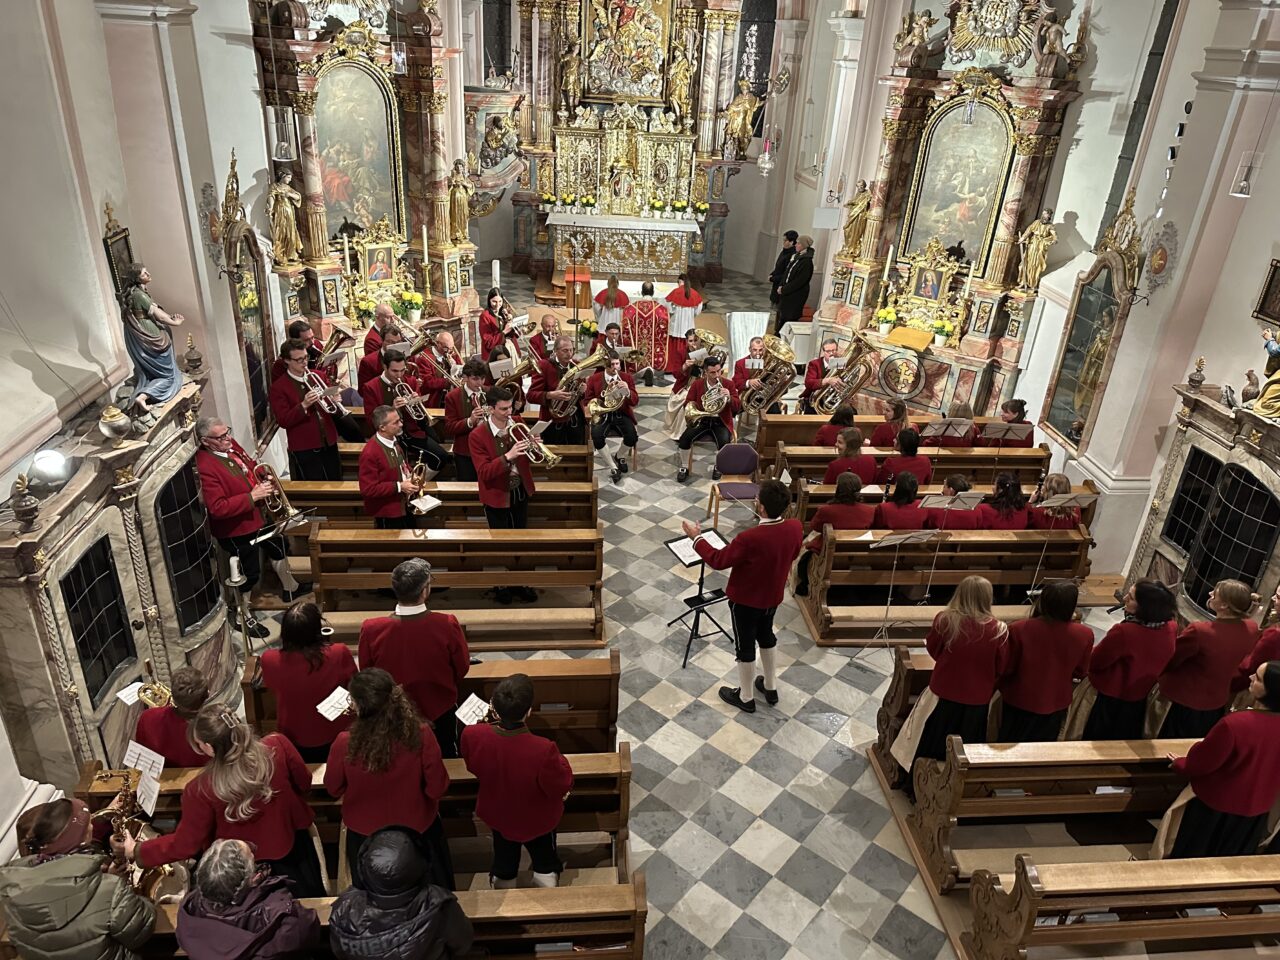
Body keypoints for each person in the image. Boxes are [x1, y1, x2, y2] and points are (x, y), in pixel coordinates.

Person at [119, 704, 324, 898]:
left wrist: (137, 850)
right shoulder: (277, 745)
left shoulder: (201, 789)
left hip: (236, 868)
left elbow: (185, 845)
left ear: (208, 747)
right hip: (291, 848)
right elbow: (304, 783)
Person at [680, 479, 804, 712]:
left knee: (745, 645)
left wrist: (696, 538)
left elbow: (718, 560)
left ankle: (746, 697)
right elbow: (794, 553)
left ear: (762, 508)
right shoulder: (795, 527)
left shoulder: (750, 538)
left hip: (746, 601)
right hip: (773, 596)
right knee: (767, 636)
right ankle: (770, 686)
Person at [325, 669, 452, 887]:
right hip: (416, 827)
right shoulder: (420, 734)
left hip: (365, 833)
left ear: (356, 704)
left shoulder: (344, 742)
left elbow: (333, 788)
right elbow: (437, 788)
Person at [0, 798, 155, 960]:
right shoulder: (109, 889)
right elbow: (140, 929)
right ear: (80, 841)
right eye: (89, 826)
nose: (93, 826)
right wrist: (133, 893)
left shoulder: (13, 887)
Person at [195, 417, 306, 638]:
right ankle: (242, 614)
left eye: (228, 431)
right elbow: (217, 508)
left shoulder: (229, 444)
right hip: (237, 530)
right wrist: (252, 496)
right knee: (250, 573)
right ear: (206, 441)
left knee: (279, 545)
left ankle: (290, 587)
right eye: (221, 437)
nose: (228, 438)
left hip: (256, 517)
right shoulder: (205, 466)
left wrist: (264, 478)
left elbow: (250, 464)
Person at [460, 674, 574, 889]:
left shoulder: (472, 734)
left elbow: (473, 765)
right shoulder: (543, 749)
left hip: (498, 811)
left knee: (503, 848)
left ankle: (504, 877)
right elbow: (560, 785)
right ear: (529, 710)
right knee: (543, 852)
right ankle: (545, 874)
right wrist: (563, 763)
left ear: (493, 706)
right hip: (537, 817)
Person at [891, 576, 1009, 783]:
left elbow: (934, 650)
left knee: (929, 740)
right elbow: (1001, 666)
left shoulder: (946, 620)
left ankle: (918, 782)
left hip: (943, 693)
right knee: (964, 748)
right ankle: (953, 786)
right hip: (976, 701)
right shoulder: (999, 630)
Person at [1159, 662, 1280, 859]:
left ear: (1271, 691)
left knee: (1193, 858)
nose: (1250, 678)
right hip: (1256, 809)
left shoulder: (1235, 725)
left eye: (1257, 678)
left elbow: (1203, 763)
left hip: (1215, 808)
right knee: (1230, 862)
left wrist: (1180, 764)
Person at [359, 558, 472, 755]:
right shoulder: (446, 623)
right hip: (439, 708)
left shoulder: (371, 628)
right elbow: (461, 667)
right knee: (444, 754)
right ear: (425, 590)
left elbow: (367, 673)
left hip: (392, 712)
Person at [329, 826, 474, 959]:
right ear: (420, 865)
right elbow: (462, 945)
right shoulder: (439, 904)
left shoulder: (344, 908)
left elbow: (339, 952)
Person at [175, 838, 320, 960]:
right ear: (252, 878)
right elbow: (309, 929)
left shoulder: (190, 911)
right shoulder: (280, 914)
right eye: (252, 854)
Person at [1074, 579, 1178, 740]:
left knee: (1096, 739)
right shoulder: (1170, 626)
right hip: (1140, 696)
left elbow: (1096, 662)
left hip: (1109, 697)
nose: (1124, 600)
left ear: (1145, 606)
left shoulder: (1124, 632)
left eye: (1130, 598)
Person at [1156, 580, 1260, 738]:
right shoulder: (1252, 628)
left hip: (1183, 701)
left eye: (1215, 593)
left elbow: (1171, 659)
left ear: (1224, 605)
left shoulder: (1200, 631)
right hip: (1216, 701)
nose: (1210, 594)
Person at [258, 601, 357, 763]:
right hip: (333, 731)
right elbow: (353, 682)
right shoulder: (338, 653)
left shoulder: (269, 659)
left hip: (293, 734)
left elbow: (271, 684)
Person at [997, 581, 1093, 741]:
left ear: (1043, 601)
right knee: (1042, 747)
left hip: (1019, 697)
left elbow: (1007, 667)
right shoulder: (1084, 634)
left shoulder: (1019, 629)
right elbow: (1081, 670)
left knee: (1010, 744)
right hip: (1055, 700)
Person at [361, 353, 450, 474]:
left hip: (411, 432)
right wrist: (393, 408)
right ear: (385, 367)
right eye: (395, 371)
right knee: (398, 469)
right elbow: (371, 421)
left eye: (402, 370)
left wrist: (416, 401)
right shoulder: (371, 387)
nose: (399, 375)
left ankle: (417, 482)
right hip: (388, 435)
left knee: (441, 457)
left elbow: (420, 417)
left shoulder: (411, 381)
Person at [269, 338, 343, 481]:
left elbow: (330, 407)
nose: (304, 362)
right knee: (314, 485)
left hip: (329, 439)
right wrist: (303, 405)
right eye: (299, 360)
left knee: (336, 479)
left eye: (306, 357)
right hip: (304, 445)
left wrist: (334, 399)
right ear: (286, 361)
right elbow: (283, 420)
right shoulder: (278, 388)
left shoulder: (318, 376)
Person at [119, 263, 183, 418]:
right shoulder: (138, 295)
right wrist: (175, 322)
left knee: (158, 368)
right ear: (136, 278)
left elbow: (155, 309)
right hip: (149, 334)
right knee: (168, 377)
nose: (148, 274)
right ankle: (143, 396)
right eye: (144, 273)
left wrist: (168, 316)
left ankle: (149, 380)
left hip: (139, 333)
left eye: (147, 271)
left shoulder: (136, 292)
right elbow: (157, 314)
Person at [795, 473, 875, 597]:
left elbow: (814, 526)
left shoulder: (826, 510)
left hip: (828, 553)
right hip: (857, 551)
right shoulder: (869, 510)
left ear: (839, 489)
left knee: (803, 553)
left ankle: (804, 584)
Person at [675, 355, 740, 483]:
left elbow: (738, 406)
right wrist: (698, 410)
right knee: (684, 440)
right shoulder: (698, 384)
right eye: (712, 372)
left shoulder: (728, 384)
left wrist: (730, 398)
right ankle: (684, 467)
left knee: (724, 443)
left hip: (720, 421)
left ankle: (719, 466)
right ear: (705, 372)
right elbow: (688, 403)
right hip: (702, 420)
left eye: (718, 371)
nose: (716, 375)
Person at [358, 405, 422, 529]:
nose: (401, 424)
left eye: (400, 420)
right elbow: (368, 489)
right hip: (387, 513)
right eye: (396, 422)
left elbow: (401, 464)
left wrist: (412, 476)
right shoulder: (370, 453)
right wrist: (400, 486)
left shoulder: (393, 441)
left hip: (403, 505)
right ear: (382, 427)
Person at [135, 666, 211, 768]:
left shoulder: (147, 717)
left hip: (162, 779)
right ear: (207, 695)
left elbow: (143, 756)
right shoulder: (214, 726)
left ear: (174, 695)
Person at [584, 355, 639, 483]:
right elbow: (587, 401)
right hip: (603, 414)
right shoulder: (594, 379)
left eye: (617, 364)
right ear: (606, 366)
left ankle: (619, 455)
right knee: (597, 437)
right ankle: (613, 467)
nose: (615, 368)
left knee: (632, 437)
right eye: (612, 365)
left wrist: (628, 392)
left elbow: (635, 401)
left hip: (621, 413)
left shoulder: (626, 378)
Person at [528, 335, 587, 445]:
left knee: (577, 453)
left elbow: (582, 395)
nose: (569, 354)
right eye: (565, 350)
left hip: (575, 419)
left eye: (571, 350)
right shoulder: (544, 366)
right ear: (555, 351)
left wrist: (583, 390)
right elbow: (531, 395)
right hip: (552, 422)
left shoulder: (577, 364)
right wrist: (550, 395)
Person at [443, 358, 490, 482]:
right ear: (465, 377)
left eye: (482, 378)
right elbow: (449, 427)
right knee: (468, 486)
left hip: (488, 451)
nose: (479, 383)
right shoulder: (453, 397)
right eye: (475, 379)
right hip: (465, 452)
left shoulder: (489, 392)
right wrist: (470, 420)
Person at [1236, 584, 1280, 695]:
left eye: (1278, 597)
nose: (1272, 598)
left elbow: (1250, 666)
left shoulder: (1275, 634)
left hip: (1256, 687)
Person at [622, 282, 670, 384]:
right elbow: (663, 329)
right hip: (653, 352)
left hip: (636, 351)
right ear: (653, 292)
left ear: (642, 292)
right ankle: (651, 370)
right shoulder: (661, 310)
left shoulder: (631, 309)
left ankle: (639, 371)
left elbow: (626, 327)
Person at [664, 275, 703, 375]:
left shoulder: (675, 292)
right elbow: (698, 310)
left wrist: (673, 311)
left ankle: (672, 368)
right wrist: (691, 314)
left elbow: (669, 307)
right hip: (689, 325)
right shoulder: (694, 293)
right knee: (691, 345)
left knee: (674, 349)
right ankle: (692, 368)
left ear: (680, 281)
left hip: (676, 325)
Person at [775, 235, 815, 334]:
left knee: (789, 320)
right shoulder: (797, 257)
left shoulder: (806, 262)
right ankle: (778, 335)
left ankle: (782, 339)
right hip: (788, 294)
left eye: (799, 243)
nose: (796, 245)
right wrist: (781, 286)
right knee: (783, 318)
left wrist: (784, 289)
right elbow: (787, 273)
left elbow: (799, 281)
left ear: (804, 245)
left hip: (795, 296)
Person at [415, 330, 463, 408]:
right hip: (436, 398)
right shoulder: (424, 358)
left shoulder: (451, 352)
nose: (449, 351)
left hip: (453, 393)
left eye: (451, 347)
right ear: (437, 344)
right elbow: (427, 382)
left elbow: (461, 370)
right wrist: (448, 382)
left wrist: (454, 364)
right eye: (446, 348)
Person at [800, 339, 843, 415]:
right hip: (814, 399)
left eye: (834, 350)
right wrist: (827, 380)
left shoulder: (840, 363)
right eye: (828, 351)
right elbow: (808, 383)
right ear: (823, 352)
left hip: (832, 400)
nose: (831, 354)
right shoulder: (814, 364)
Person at [357, 323, 406, 388]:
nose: (395, 345)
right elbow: (362, 390)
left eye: (398, 342)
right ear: (382, 341)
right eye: (391, 342)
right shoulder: (368, 362)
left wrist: (414, 382)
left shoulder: (407, 355)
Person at [478, 287, 518, 356]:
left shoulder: (503, 312)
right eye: (494, 302)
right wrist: (504, 332)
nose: (497, 305)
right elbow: (488, 343)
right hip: (493, 354)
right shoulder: (485, 316)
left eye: (500, 301)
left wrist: (511, 322)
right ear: (489, 300)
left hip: (506, 350)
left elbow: (512, 335)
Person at [768, 230, 798, 307]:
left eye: (785, 240)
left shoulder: (792, 255)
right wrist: (772, 274)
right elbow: (779, 266)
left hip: (782, 286)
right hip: (776, 284)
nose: (783, 242)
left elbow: (787, 273)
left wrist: (773, 278)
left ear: (792, 242)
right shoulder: (784, 251)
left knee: (777, 310)